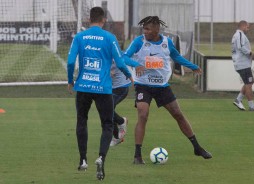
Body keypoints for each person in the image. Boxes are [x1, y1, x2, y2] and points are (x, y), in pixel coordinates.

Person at [124, 16, 212, 164]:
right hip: (143, 85)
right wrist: (135, 64)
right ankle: (137, 156)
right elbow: (124, 57)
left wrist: (192, 66)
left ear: (157, 29)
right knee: (143, 114)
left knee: (178, 114)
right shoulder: (139, 41)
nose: (144, 31)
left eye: (148, 29)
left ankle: (197, 147)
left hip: (162, 86)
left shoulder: (167, 42)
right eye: (144, 28)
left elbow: (176, 57)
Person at [67, 7, 133, 180]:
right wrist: (128, 74)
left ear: (90, 19)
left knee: (82, 120)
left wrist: (70, 80)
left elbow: (70, 61)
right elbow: (119, 61)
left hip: (82, 87)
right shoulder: (109, 38)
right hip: (103, 88)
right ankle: (101, 158)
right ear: (103, 20)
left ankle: (82, 160)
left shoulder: (80, 37)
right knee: (107, 124)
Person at [110, 56, 145, 146]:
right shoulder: (100, 52)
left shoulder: (115, 52)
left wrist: (137, 65)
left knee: (107, 109)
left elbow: (125, 60)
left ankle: (121, 122)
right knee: (107, 112)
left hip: (121, 88)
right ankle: (117, 137)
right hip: (109, 88)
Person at [231, 20, 254, 112]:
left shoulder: (236, 35)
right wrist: (251, 53)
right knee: (249, 84)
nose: (248, 29)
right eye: (247, 27)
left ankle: (238, 100)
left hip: (241, 63)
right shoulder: (240, 35)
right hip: (242, 64)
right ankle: (252, 106)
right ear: (243, 26)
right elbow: (241, 47)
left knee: (248, 83)